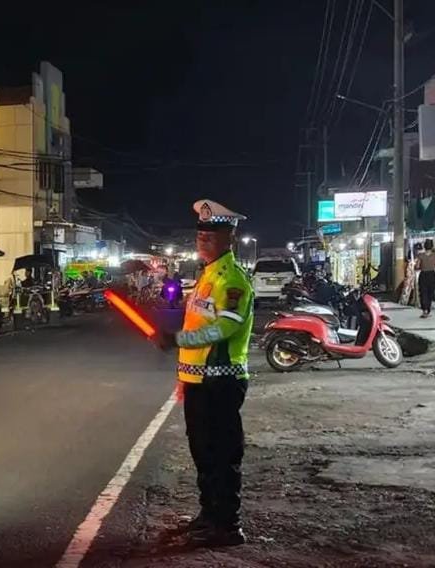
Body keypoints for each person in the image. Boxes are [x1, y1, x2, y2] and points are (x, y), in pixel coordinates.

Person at [156, 199, 254, 549]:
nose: (203, 239)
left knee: (222, 454)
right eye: (200, 234)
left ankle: (227, 526)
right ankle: (209, 515)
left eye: (211, 235)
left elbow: (225, 328)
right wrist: (185, 377)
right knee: (203, 453)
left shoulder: (232, 280)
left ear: (230, 238)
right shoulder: (207, 275)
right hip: (200, 381)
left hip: (221, 381)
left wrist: (177, 339)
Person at [416, 239, 435, 318]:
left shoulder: (420, 255)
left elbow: (417, 266)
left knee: (423, 292)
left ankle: (424, 310)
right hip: (431, 274)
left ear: (424, 246)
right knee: (430, 292)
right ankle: (428, 310)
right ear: (432, 247)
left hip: (423, 274)